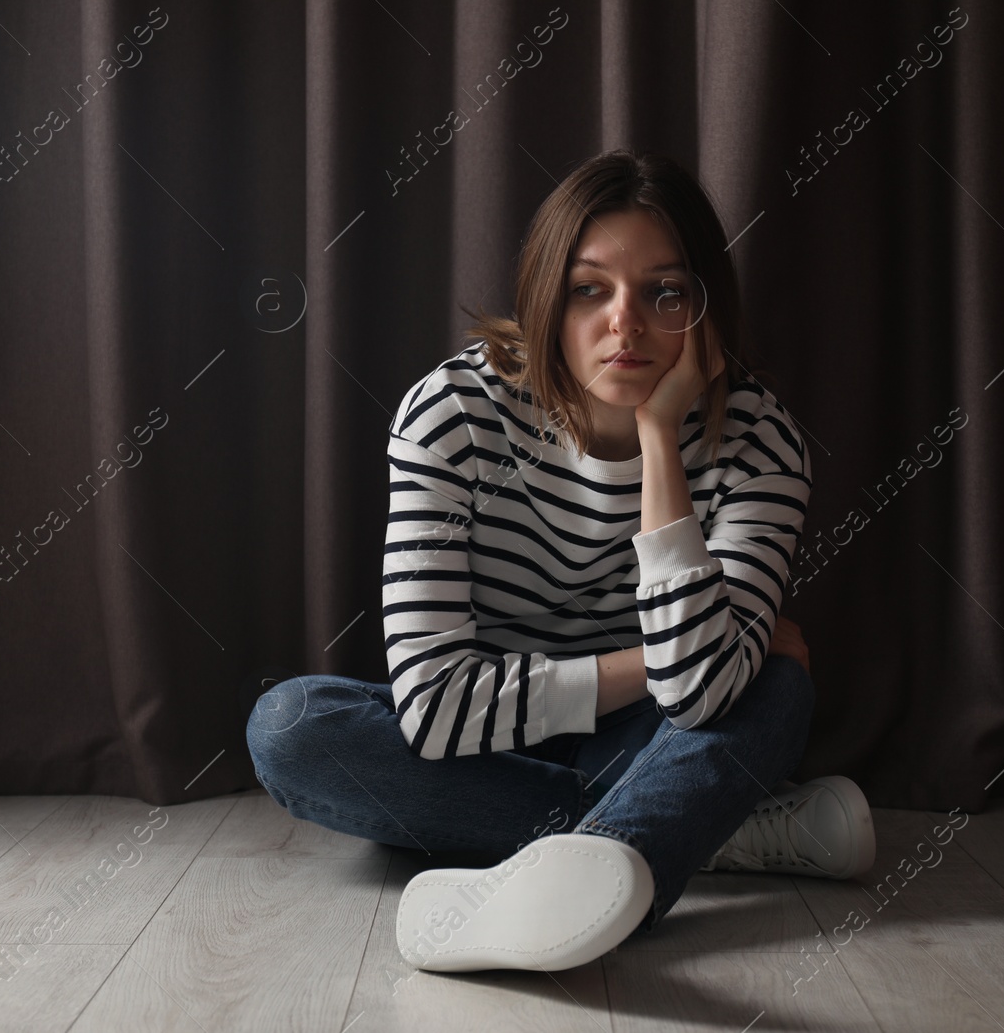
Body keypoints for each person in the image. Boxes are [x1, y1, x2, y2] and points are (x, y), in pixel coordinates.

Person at [245, 149, 875, 974]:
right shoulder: (454, 413)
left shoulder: (760, 442)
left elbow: (698, 694)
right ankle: (685, 835)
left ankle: (600, 855)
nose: (626, 322)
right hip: (485, 746)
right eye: (590, 289)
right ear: (548, 298)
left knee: (776, 690)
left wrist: (660, 440)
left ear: (704, 306)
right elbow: (434, 709)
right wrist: (663, 661)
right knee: (292, 726)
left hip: (649, 739)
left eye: (665, 291)